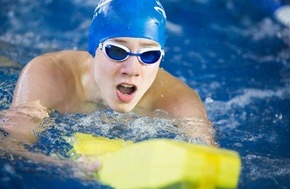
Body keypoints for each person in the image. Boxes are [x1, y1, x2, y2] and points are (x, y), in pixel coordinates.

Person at [0, 0, 215, 147]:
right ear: (94, 50)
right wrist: (68, 167)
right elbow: (14, 148)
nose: (132, 70)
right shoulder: (47, 76)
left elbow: (210, 163)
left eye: (148, 55)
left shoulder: (180, 102)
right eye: (117, 51)